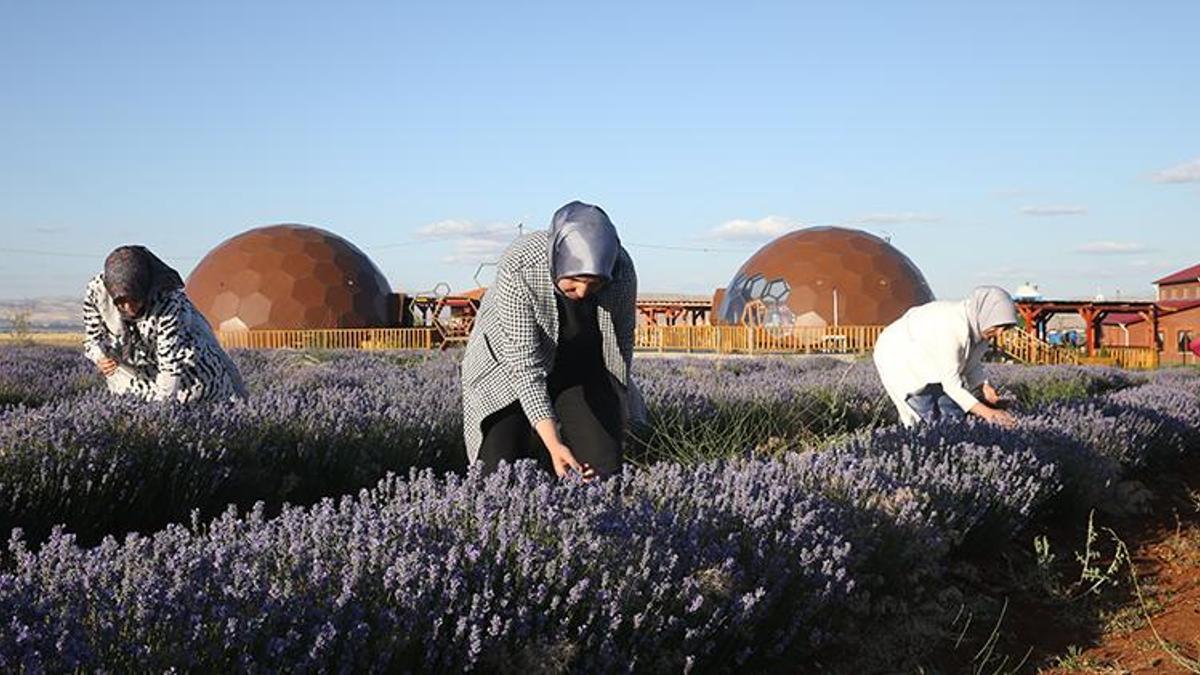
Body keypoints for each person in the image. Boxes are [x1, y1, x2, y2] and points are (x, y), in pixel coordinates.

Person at [461, 201, 643, 479]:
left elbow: (622, 342)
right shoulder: (521, 264)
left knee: (601, 469)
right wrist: (554, 443)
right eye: (574, 281)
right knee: (498, 472)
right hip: (507, 366)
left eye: (595, 284)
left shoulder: (621, 270)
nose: (583, 292)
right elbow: (524, 366)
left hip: (579, 365)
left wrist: (619, 404)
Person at [82, 245, 247, 403]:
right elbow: (92, 339)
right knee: (129, 403)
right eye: (121, 302)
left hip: (189, 373)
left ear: (144, 289)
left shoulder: (169, 302)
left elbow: (170, 365)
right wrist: (100, 357)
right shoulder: (97, 293)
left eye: (135, 300)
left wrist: (161, 411)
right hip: (132, 372)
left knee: (192, 399)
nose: (129, 308)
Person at [873, 286, 1019, 427]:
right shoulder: (952, 327)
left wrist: (982, 386)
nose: (999, 333)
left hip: (930, 361)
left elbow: (972, 363)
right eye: (997, 326)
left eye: (1005, 328)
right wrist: (989, 414)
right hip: (899, 355)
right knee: (925, 414)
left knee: (953, 416)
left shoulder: (981, 327)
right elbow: (951, 385)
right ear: (986, 315)